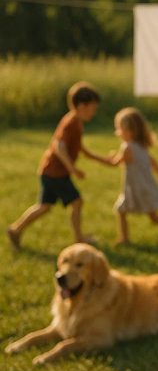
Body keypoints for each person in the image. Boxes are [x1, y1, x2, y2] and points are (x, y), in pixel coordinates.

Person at [7, 82, 110, 250]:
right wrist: (72, 169)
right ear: (82, 106)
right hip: (56, 173)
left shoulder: (76, 122)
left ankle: (15, 229)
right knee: (77, 202)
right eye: (93, 108)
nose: (94, 112)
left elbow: (79, 148)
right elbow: (59, 146)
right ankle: (79, 240)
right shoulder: (71, 122)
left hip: (49, 171)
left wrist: (102, 159)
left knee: (44, 206)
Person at [107, 107, 158, 246]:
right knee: (129, 212)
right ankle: (125, 238)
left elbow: (115, 163)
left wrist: (106, 157)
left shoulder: (127, 147)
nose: (117, 133)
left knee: (141, 215)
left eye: (119, 129)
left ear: (130, 131)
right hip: (145, 187)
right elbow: (152, 161)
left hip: (136, 188)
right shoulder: (141, 146)